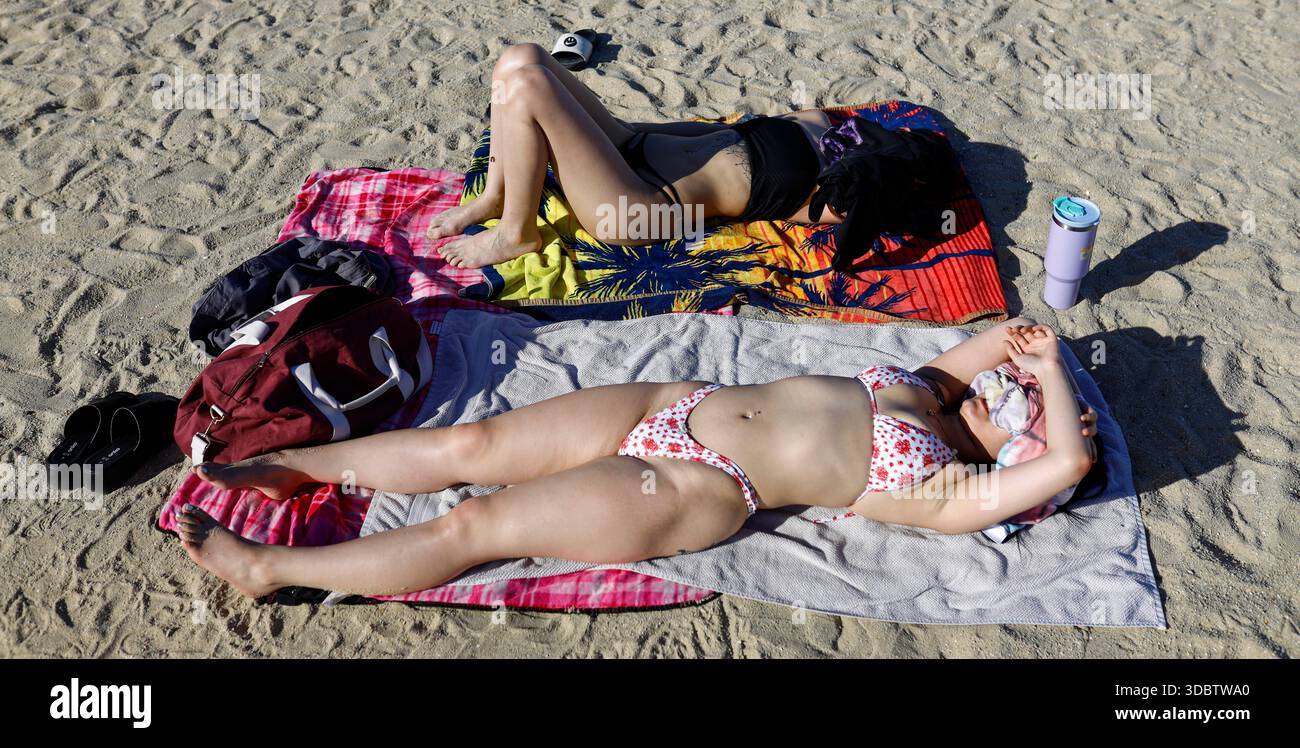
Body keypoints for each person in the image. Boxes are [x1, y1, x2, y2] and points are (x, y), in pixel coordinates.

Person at [177, 321, 1097, 600]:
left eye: (1008, 399)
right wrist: (1028, 349)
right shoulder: (927, 393)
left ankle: (270, 568)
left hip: (705, 487)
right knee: (473, 446)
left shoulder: (944, 489)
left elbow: (1057, 470)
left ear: (1006, 442)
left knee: (477, 523)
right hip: (675, 405)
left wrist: (1053, 382)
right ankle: (314, 470)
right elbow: (988, 343)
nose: (997, 382)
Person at [428, 43, 955, 271]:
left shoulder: (845, 193)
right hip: (635, 146)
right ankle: (498, 194)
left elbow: (857, 229)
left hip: (636, 202)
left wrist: (886, 182)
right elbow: (711, 137)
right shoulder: (830, 129)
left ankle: (516, 232)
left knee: (527, 88)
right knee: (522, 60)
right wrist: (620, 131)